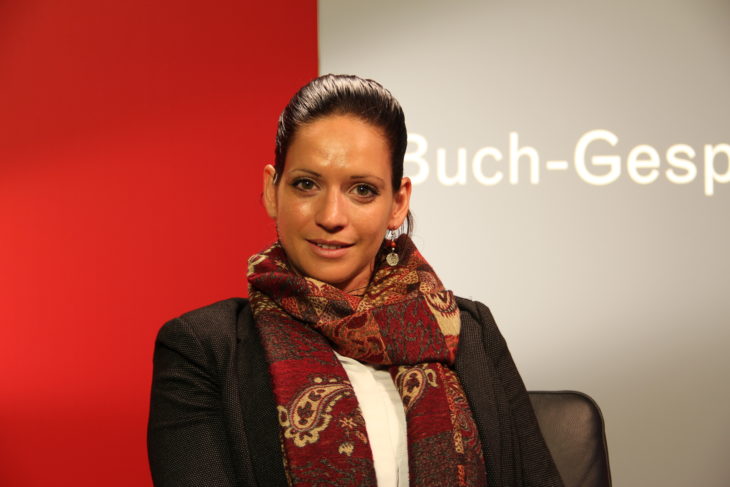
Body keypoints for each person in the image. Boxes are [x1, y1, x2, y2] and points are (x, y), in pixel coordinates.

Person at [147, 74, 563, 487]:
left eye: (362, 190)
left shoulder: (471, 334)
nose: (331, 216)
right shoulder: (201, 349)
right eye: (306, 184)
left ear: (398, 202)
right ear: (273, 191)